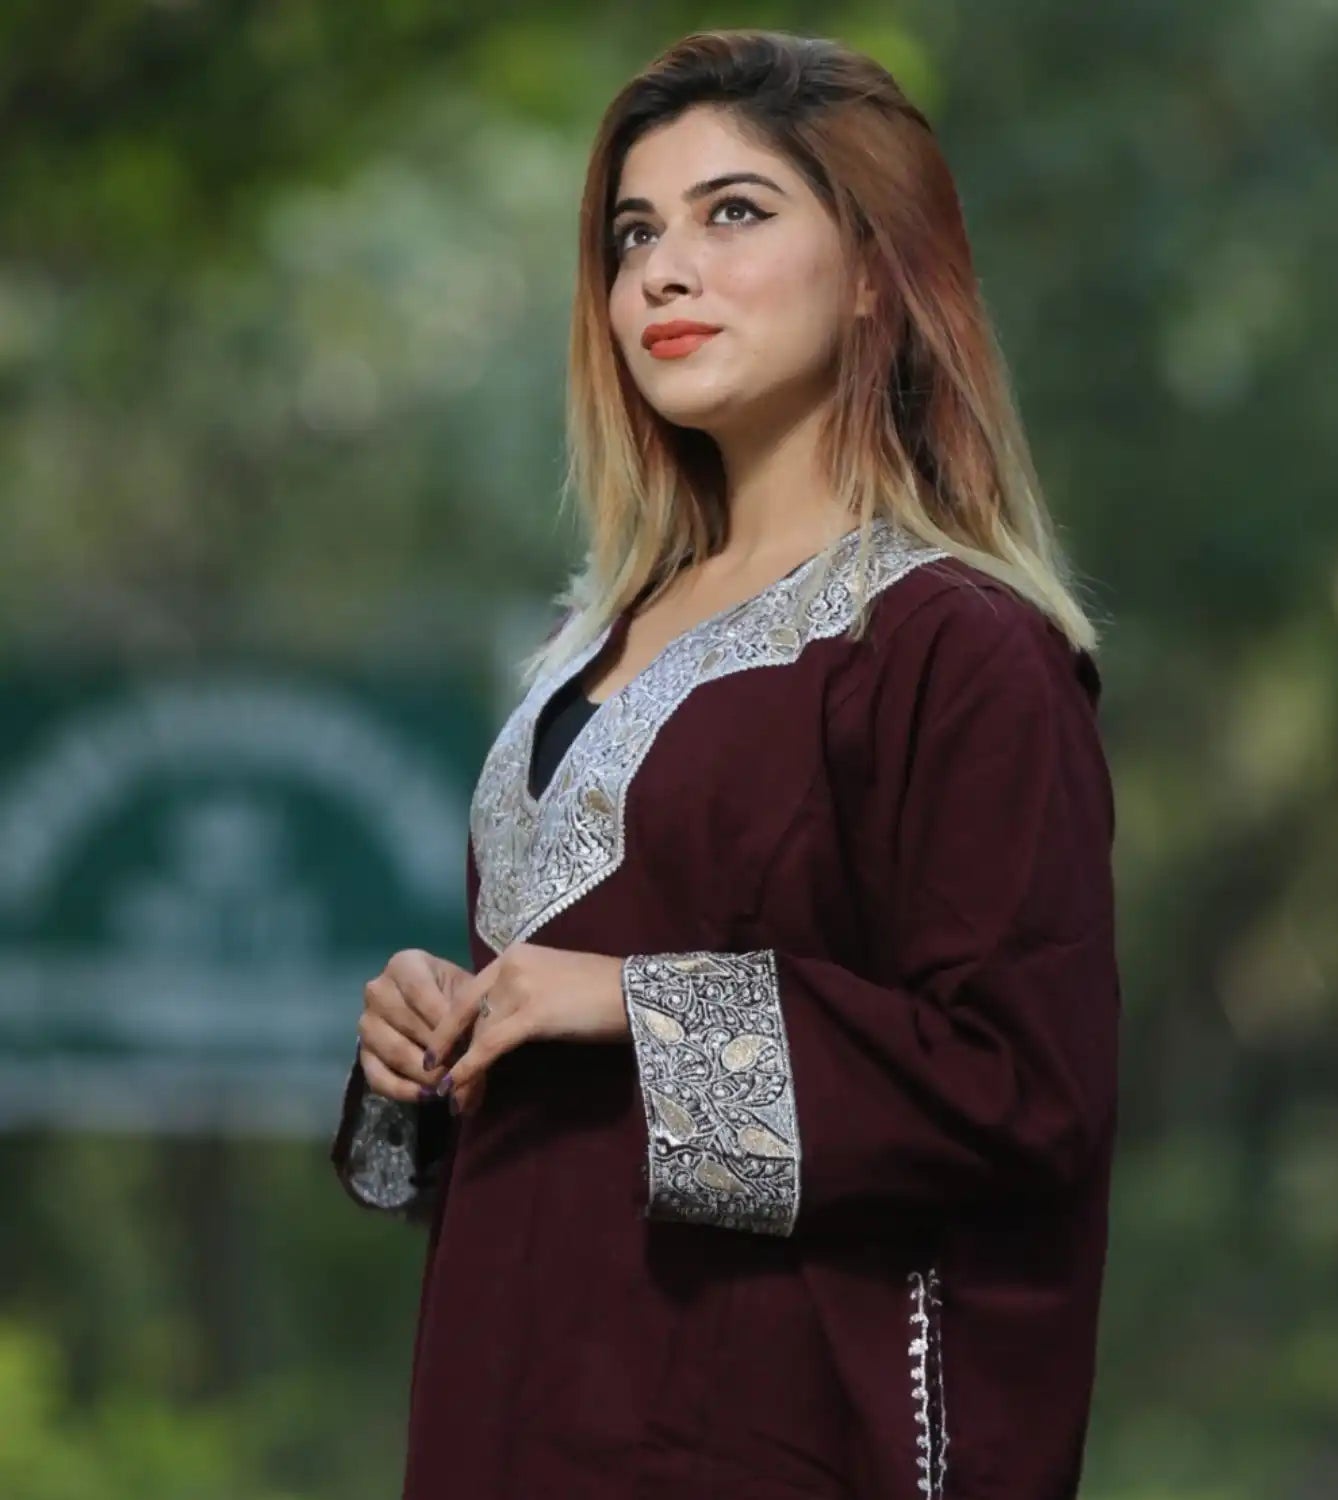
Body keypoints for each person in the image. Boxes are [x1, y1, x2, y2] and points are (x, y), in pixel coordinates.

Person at [331, 27, 1119, 1500]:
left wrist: (633, 1006)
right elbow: (564, 1094)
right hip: (516, 1406)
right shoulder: (582, 646)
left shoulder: (955, 647)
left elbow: (1022, 1094)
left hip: (765, 1436)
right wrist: (434, 1043)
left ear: (875, 267)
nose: (662, 274)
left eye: (733, 213)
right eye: (634, 234)